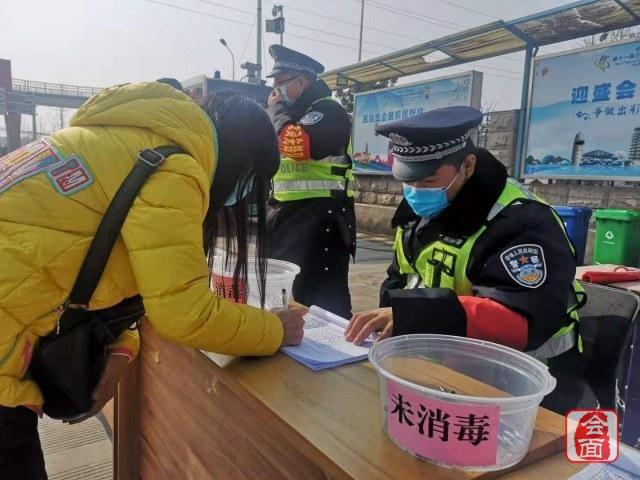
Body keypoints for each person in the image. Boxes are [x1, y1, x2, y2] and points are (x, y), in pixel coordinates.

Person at [0, 81, 305, 479]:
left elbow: (110, 268)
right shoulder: (175, 168)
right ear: (242, 162)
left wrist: (123, 348)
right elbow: (184, 312)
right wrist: (276, 330)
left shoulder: (122, 139)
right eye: (253, 180)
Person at [345, 106, 592, 412]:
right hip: (441, 375)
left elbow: (520, 323)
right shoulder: (421, 208)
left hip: (525, 391)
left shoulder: (522, 222)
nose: (416, 192)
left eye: (428, 181)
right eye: (408, 182)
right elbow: (401, 278)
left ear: (468, 165)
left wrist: (415, 314)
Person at [265, 44, 356, 319]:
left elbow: (297, 145)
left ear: (302, 81)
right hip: (286, 215)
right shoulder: (291, 116)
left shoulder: (328, 111)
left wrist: (276, 110)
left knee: (321, 303)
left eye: (281, 82)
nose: (275, 90)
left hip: (321, 219)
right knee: (285, 297)